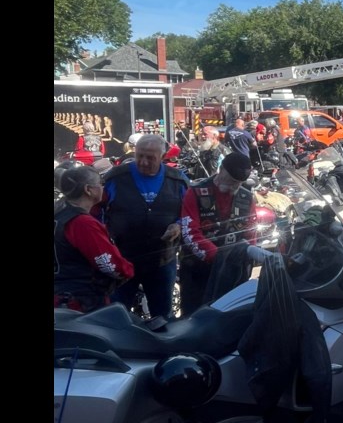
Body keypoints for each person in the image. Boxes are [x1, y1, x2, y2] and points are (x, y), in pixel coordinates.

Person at [96, 134, 188, 320]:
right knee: (115, 316)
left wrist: (178, 226)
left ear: (163, 157)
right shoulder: (116, 178)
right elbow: (97, 213)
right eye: (140, 156)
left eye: (150, 158)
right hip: (122, 259)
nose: (144, 162)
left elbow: (189, 215)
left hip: (162, 260)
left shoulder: (178, 181)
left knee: (162, 316)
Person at [179, 152, 258, 315]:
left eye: (237, 183)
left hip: (233, 271)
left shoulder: (246, 196)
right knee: (194, 318)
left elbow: (251, 232)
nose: (233, 186)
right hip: (199, 270)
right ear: (220, 169)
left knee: (231, 317)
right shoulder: (196, 192)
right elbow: (190, 232)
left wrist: (249, 256)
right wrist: (220, 258)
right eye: (230, 180)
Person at [55, 166, 135, 312]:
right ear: (88, 190)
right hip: (80, 301)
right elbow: (109, 263)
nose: (102, 187)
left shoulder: (58, 211)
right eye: (100, 183)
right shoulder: (82, 223)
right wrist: (128, 270)